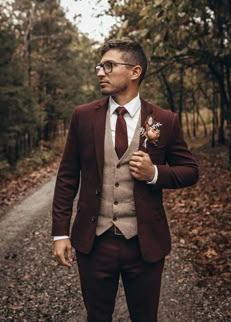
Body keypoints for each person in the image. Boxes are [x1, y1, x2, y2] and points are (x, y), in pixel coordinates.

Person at [52, 38, 199, 322]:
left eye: (109, 65)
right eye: (99, 65)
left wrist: (154, 173)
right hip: (94, 242)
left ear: (134, 71)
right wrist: (60, 233)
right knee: (97, 317)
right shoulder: (83, 116)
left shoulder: (164, 120)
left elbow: (190, 170)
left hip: (144, 243)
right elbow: (67, 177)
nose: (100, 72)